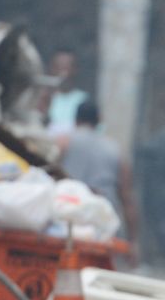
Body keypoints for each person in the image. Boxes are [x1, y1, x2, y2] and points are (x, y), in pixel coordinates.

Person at [60, 101, 140, 239]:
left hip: (67, 225)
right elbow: (127, 199)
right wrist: (133, 243)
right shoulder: (115, 150)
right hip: (103, 229)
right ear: (99, 121)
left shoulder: (63, 142)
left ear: (76, 120)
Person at [42, 49, 89, 133]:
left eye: (66, 68)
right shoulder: (43, 98)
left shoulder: (84, 100)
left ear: (75, 69)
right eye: (58, 68)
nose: (63, 73)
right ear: (51, 69)